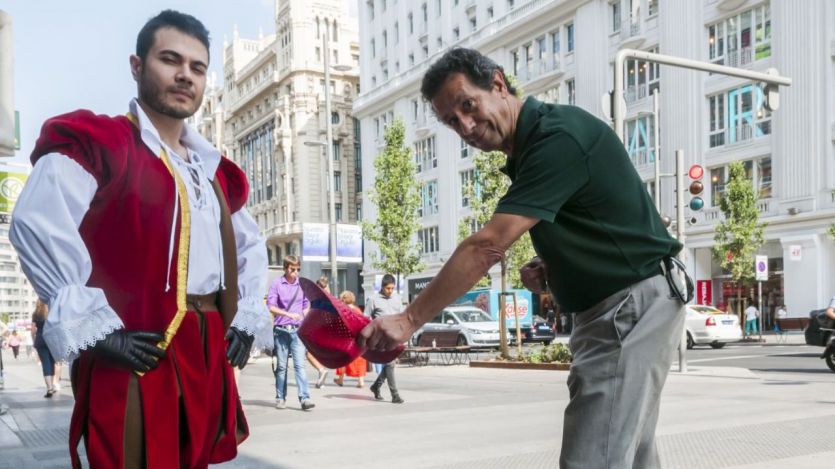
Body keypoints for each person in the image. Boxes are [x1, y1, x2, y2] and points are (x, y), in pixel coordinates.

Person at [358, 47, 686, 468]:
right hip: (626, 305)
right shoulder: (532, 149)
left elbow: (486, 246)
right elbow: (608, 224)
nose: (467, 127)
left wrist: (407, 320)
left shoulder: (556, 138)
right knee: (626, 454)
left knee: (594, 459)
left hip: (629, 309)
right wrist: (554, 270)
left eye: (468, 106)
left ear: (497, 83)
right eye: (452, 122)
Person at [9, 10, 272, 468]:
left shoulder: (212, 171)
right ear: (137, 66)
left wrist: (246, 313)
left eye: (197, 67)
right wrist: (95, 329)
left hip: (206, 345)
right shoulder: (104, 142)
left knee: (195, 459)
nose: (184, 76)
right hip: (134, 347)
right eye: (170, 60)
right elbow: (36, 219)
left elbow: (248, 245)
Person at [268, 255, 315, 411]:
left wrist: (304, 315)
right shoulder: (276, 284)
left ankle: (305, 398)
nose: (296, 272)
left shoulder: (301, 285)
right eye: (292, 269)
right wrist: (288, 315)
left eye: (298, 269)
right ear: (285, 268)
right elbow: (271, 307)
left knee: (299, 366)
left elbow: (306, 304)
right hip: (281, 330)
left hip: (297, 331)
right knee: (281, 367)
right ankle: (280, 397)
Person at [364, 274, 405, 404]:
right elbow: (366, 318)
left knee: (389, 365)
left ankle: (376, 386)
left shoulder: (397, 299)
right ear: (382, 287)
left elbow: (401, 316)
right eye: (388, 288)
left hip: (394, 338)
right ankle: (395, 394)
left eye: (392, 288)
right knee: (390, 364)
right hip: (380, 339)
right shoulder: (373, 299)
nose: (390, 291)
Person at [333, 290, 368, 388]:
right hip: (358, 337)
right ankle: (361, 381)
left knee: (342, 358)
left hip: (345, 337)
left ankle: (340, 379)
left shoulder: (342, 310)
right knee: (359, 358)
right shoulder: (357, 309)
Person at [32, 300, 61, 397]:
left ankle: (49, 388)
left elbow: (33, 330)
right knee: (52, 363)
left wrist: (34, 340)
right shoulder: (52, 312)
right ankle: (52, 386)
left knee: (45, 364)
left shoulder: (35, 314)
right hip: (52, 339)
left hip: (40, 339)